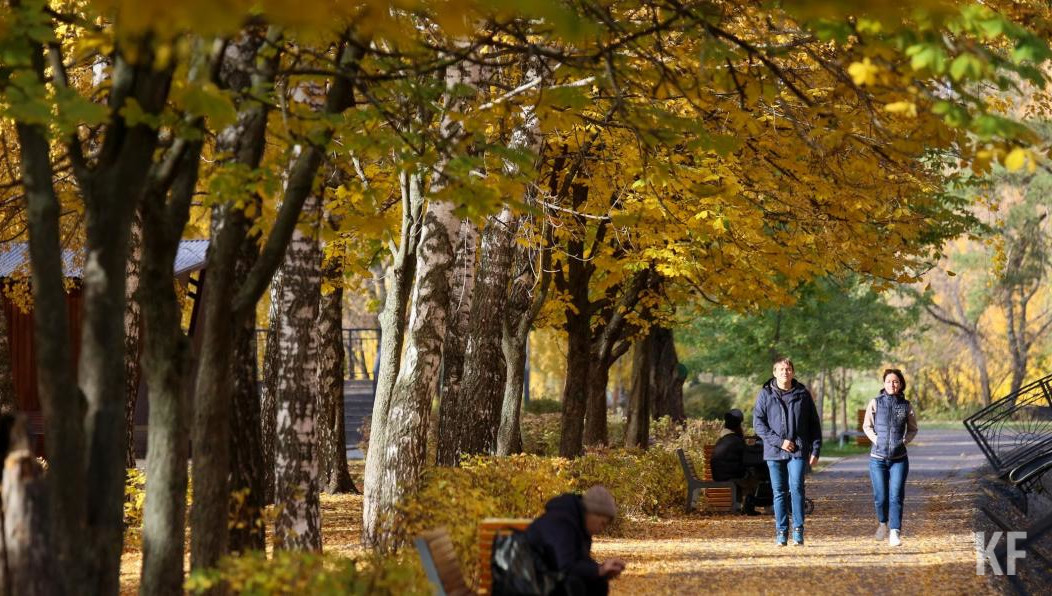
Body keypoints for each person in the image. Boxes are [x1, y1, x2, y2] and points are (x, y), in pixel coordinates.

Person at [753, 357, 822, 546]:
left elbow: (814, 424)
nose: (785, 372)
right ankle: (781, 532)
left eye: (789, 369)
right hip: (774, 451)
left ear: (793, 372)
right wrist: (780, 442)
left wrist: (815, 449)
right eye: (781, 369)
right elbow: (758, 424)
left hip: (798, 450)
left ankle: (798, 531)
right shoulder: (765, 394)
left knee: (797, 488)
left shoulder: (803, 394)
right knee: (779, 492)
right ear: (774, 372)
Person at [525, 485, 626, 595]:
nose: (602, 529)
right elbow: (565, 566)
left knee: (598, 582)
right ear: (592, 513)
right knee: (576, 584)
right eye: (602, 523)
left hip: (543, 576)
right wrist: (599, 570)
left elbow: (580, 561)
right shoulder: (561, 522)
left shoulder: (580, 525)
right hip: (526, 577)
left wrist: (602, 570)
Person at [862, 368, 918, 547]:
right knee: (881, 497)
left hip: (899, 459)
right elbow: (867, 426)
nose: (892, 384)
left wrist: (904, 441)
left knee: (896, 496)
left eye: (895, 381)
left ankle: (895, 531)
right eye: (888, 381)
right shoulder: (875, 403)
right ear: (884, 384)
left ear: (901, 384)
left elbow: (913, 429)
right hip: (877, 459)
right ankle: (882, 523)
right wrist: (876, 439)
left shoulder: (906, 406)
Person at [711, 408, 768, 515]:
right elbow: (749, 459)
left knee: (748, 473)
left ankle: (739, 506)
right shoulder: (735, 440)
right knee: (756, 475)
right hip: (729, 476)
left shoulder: (723, 439)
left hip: (719, 475)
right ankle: (749, 505)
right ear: (738, 426)